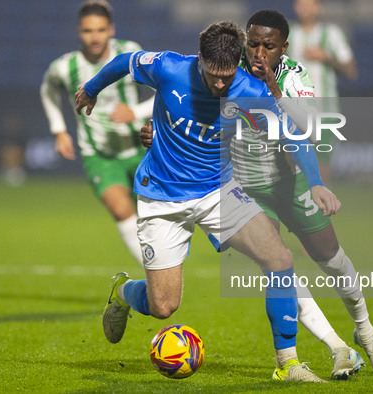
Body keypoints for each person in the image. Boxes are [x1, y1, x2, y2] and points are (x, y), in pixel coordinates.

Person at [76, 20, 342, 382]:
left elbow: (291, 137)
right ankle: (123, 293)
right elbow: (125, 61)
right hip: (162, 196)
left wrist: (316, 183)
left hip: (218, 192)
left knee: (280, 259)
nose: (220, 84)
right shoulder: (169, 67)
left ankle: (289, 364)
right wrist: (91, 90)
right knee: (164, 306)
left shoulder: (250, 90)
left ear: (238, 64)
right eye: (213, 75)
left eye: (227, 76)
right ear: (199, 59)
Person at [139, 9, 373, 378]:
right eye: (253, 44)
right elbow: (184, 102)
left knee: (331, 258)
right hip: (244, 187)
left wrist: (273, 89)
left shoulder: (293, 75)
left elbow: (308, 128)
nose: (259, 53)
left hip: (290, 182)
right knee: (278, 264)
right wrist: (156, 133)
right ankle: (336, 348)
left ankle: (366, 331)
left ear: (282, 48)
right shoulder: (226, 71)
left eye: (268, 46)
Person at [40, 0, 153, 265]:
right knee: (121, 209)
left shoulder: (130, 53)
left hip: (139, 149)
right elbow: (47, 90)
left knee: (153, 216)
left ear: (111, 30)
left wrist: (135, 112)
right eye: (88, 31)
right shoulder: (65, 67)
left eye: (100, 30)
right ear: (79, 32)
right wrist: (59, 131)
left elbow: (165, 88)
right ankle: (154, 273)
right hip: (100, 155)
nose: (94, 37)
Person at [288, 0, 357, 181]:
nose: (305, 9)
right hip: (296, 110)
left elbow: (350, 71)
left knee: (321, 165)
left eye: (310, 4)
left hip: (325, 110)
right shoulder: (289, 35)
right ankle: (297, 208)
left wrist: (326, 57)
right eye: (301, 4)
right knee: (292, 165)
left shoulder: (331, 34)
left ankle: (322, 208)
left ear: (319, 7)